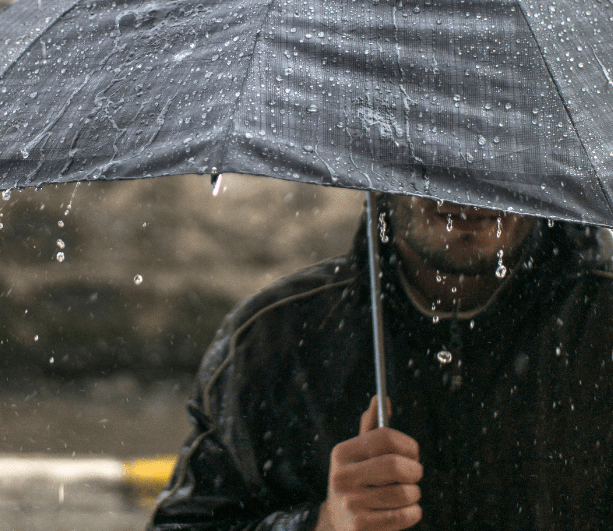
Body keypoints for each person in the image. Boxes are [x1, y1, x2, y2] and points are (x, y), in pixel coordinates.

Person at [150, 194, 613, 530]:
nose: (469, 185)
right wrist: (322, 524)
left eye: (500, 145)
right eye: (432, 146)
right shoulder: (273, 342)